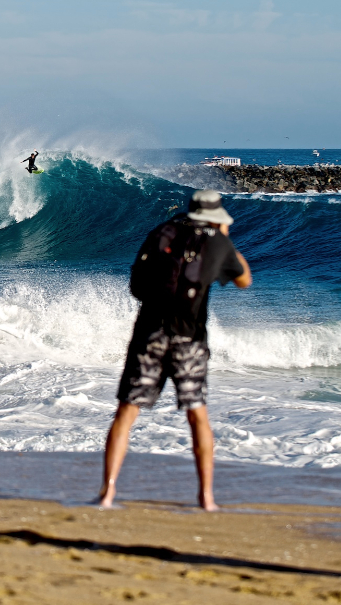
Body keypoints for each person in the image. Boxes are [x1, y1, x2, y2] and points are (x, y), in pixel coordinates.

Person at [98, 189, 251, 511]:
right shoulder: (217, 241)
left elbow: (137, 283)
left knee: (126, 412)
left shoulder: (162, 233)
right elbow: (244, 280)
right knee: (197, 415)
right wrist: (224, 238)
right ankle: (206, 498)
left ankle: (107, 494)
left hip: (150, 332)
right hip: (189, 338)